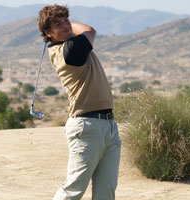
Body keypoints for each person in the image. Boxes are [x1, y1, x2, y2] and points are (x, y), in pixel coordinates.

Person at [37, 4, 122, 200]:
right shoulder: (69, 51)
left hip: (108, 125)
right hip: (87, 126)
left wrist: (60, 23)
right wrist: (66, 23)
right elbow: (90, 30)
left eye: (67, 21)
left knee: (106, 190)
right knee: (74, 189)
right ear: (48, 33)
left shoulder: (72, 45)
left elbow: (82, 32)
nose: (66, 26)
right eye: (58, 25)